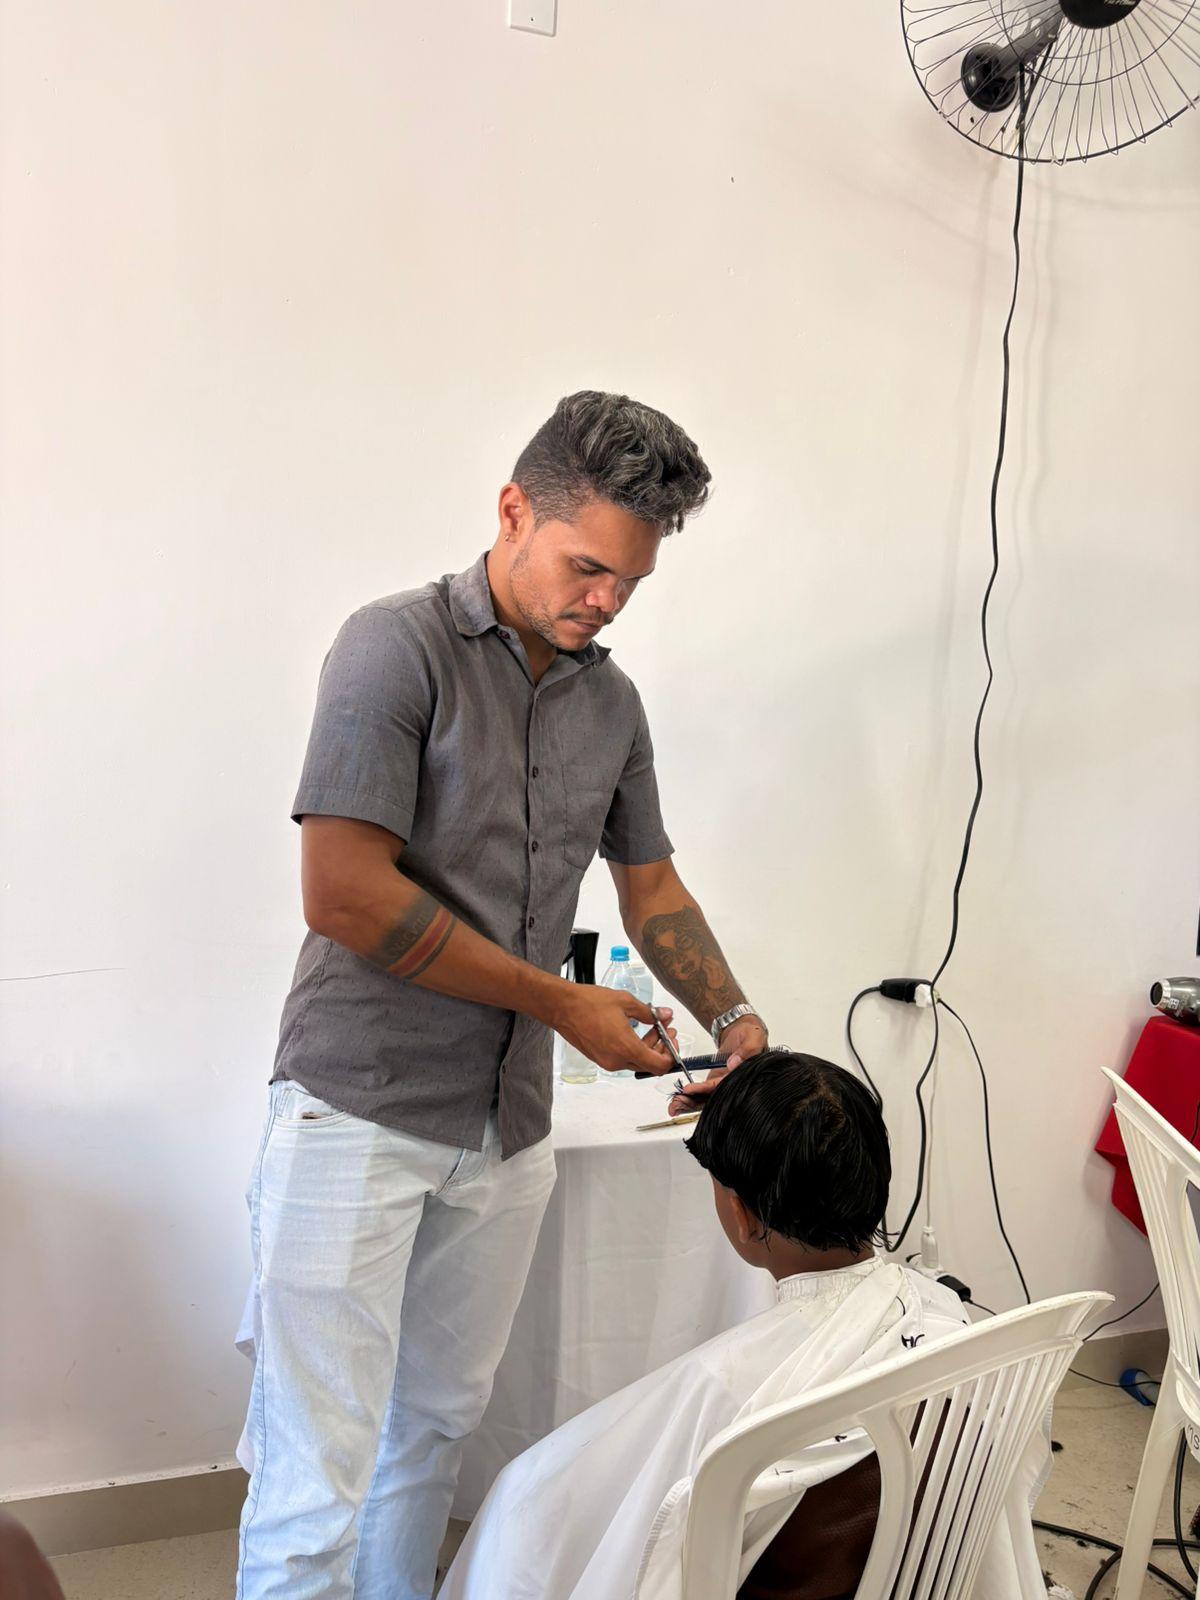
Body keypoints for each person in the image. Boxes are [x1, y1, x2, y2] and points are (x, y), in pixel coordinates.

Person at [235, 391, 770, 1600]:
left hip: (505, 1126)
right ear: (514, 511)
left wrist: (734, 1020)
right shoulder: (393, 646)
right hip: (355, 1109)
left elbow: (651, 888)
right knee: (314, 1477)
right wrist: (560, 1003)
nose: (607, 600)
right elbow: (345, 893)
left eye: (630, 581)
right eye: (588, 567)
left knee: (430, 1434)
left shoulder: (612, 703)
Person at [439, 1053, 1035, 1600]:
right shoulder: (947, 1316)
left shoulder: (727, 1388)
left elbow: (554, 1517)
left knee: (523, 1495)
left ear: (743, 1217)